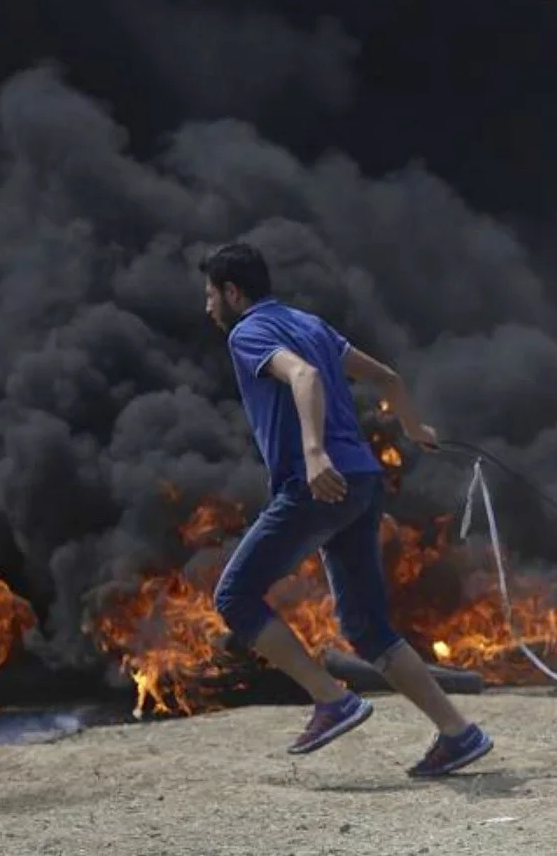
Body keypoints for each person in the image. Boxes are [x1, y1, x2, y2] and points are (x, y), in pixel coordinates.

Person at [199, 241, 494, 773]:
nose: (207, 307)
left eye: (210, 295)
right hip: (362, 481)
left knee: (235, 595)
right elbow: (388, 378)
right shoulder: (310, 324)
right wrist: (413, 427)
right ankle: (459, 733)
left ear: (233, 292)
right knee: (367, 627)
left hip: (318, 485)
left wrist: (314, 454)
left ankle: (331, 699)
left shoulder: (248, 333)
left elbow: (304, 377)